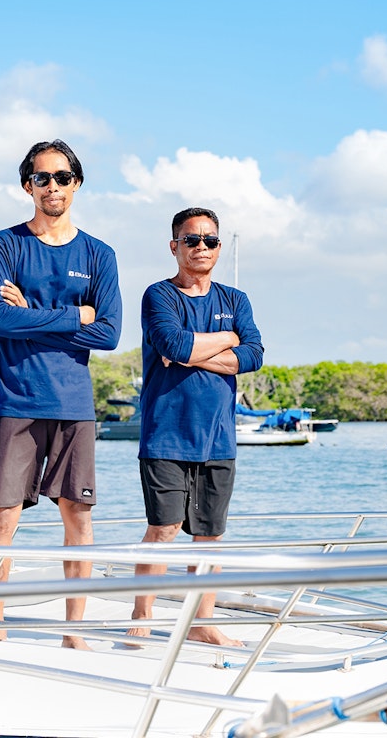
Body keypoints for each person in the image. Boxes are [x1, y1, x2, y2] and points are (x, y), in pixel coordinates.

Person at [0, 139, 122, 649]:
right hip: (18, 400)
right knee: (3, 518)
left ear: (76, 183)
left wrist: (30, 315)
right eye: (42, 178)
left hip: (74, 405)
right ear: (27, 186)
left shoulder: (99, 254)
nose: (53, 186)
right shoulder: (4, 244)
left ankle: (73, 631)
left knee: (78, 518)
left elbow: (108, 335)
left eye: (62, 177)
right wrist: (73, 315)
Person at [128, 207, 263, 646]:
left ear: (219, 247)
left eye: (210, 240)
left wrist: (195, 351)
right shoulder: (159, 295)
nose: (201, 247)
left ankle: (202, 622)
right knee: (163, 531)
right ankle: (141, 613)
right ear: (175, 247)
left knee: (210, 536)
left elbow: (255, 354)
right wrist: (227, 341)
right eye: (192, 240)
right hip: (166, 433)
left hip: (218, 437)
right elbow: (171, 345)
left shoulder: (236, 300)